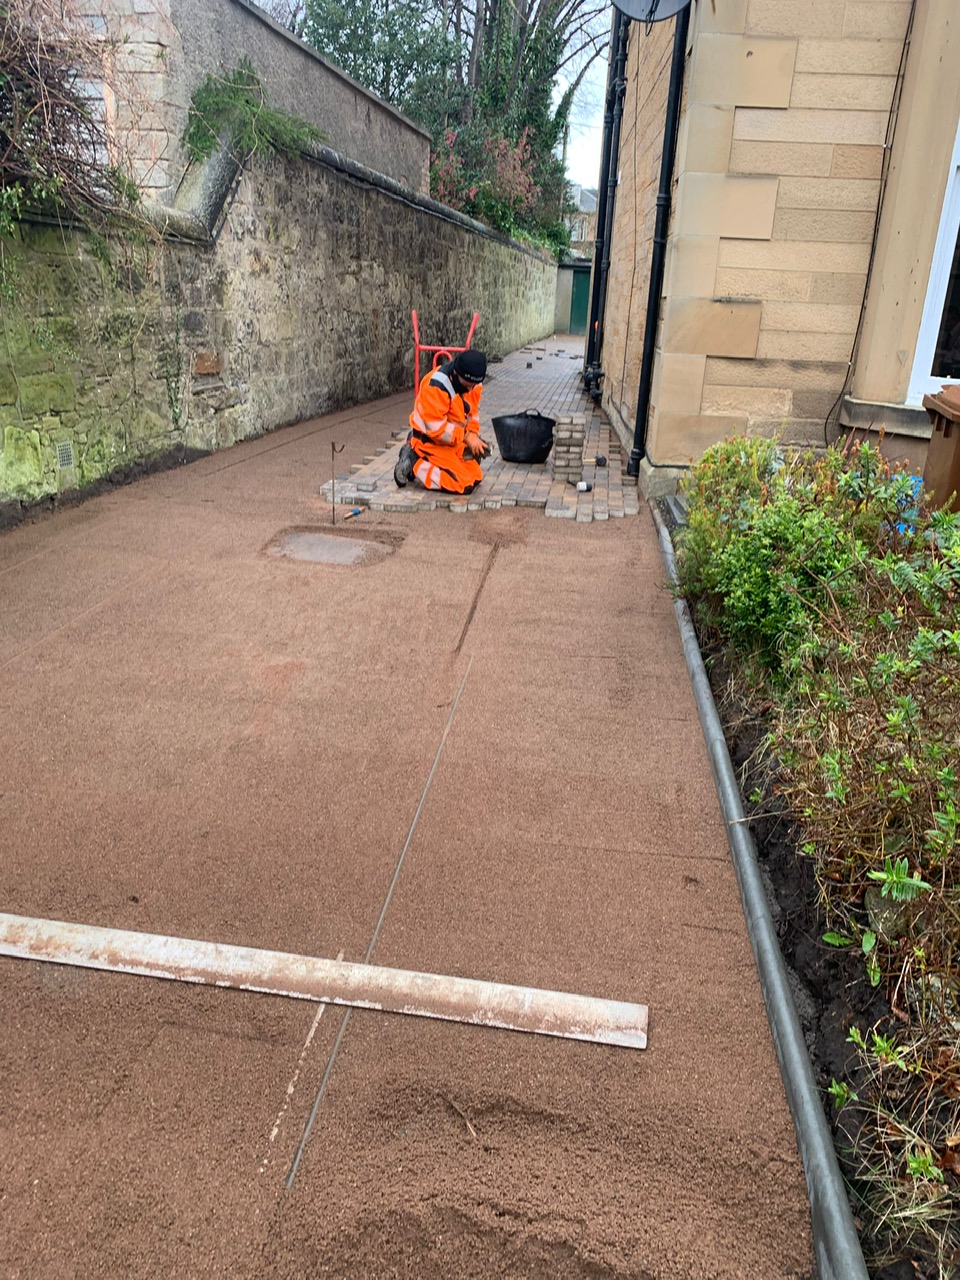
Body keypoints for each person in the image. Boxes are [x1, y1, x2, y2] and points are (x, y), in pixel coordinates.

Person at [394, 349, 491, 493]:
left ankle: (424, 460)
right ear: (457, 374)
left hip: (451, 442)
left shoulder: (474, 383)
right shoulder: (436, 385)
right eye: (467, 385)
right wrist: (466, 437)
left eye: (474, 385)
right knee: (462, 485)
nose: (470, 389)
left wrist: (473, 434)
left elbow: (472, 414)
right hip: (430, 442)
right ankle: (415, 461)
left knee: (475, 476)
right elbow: (436, 428)